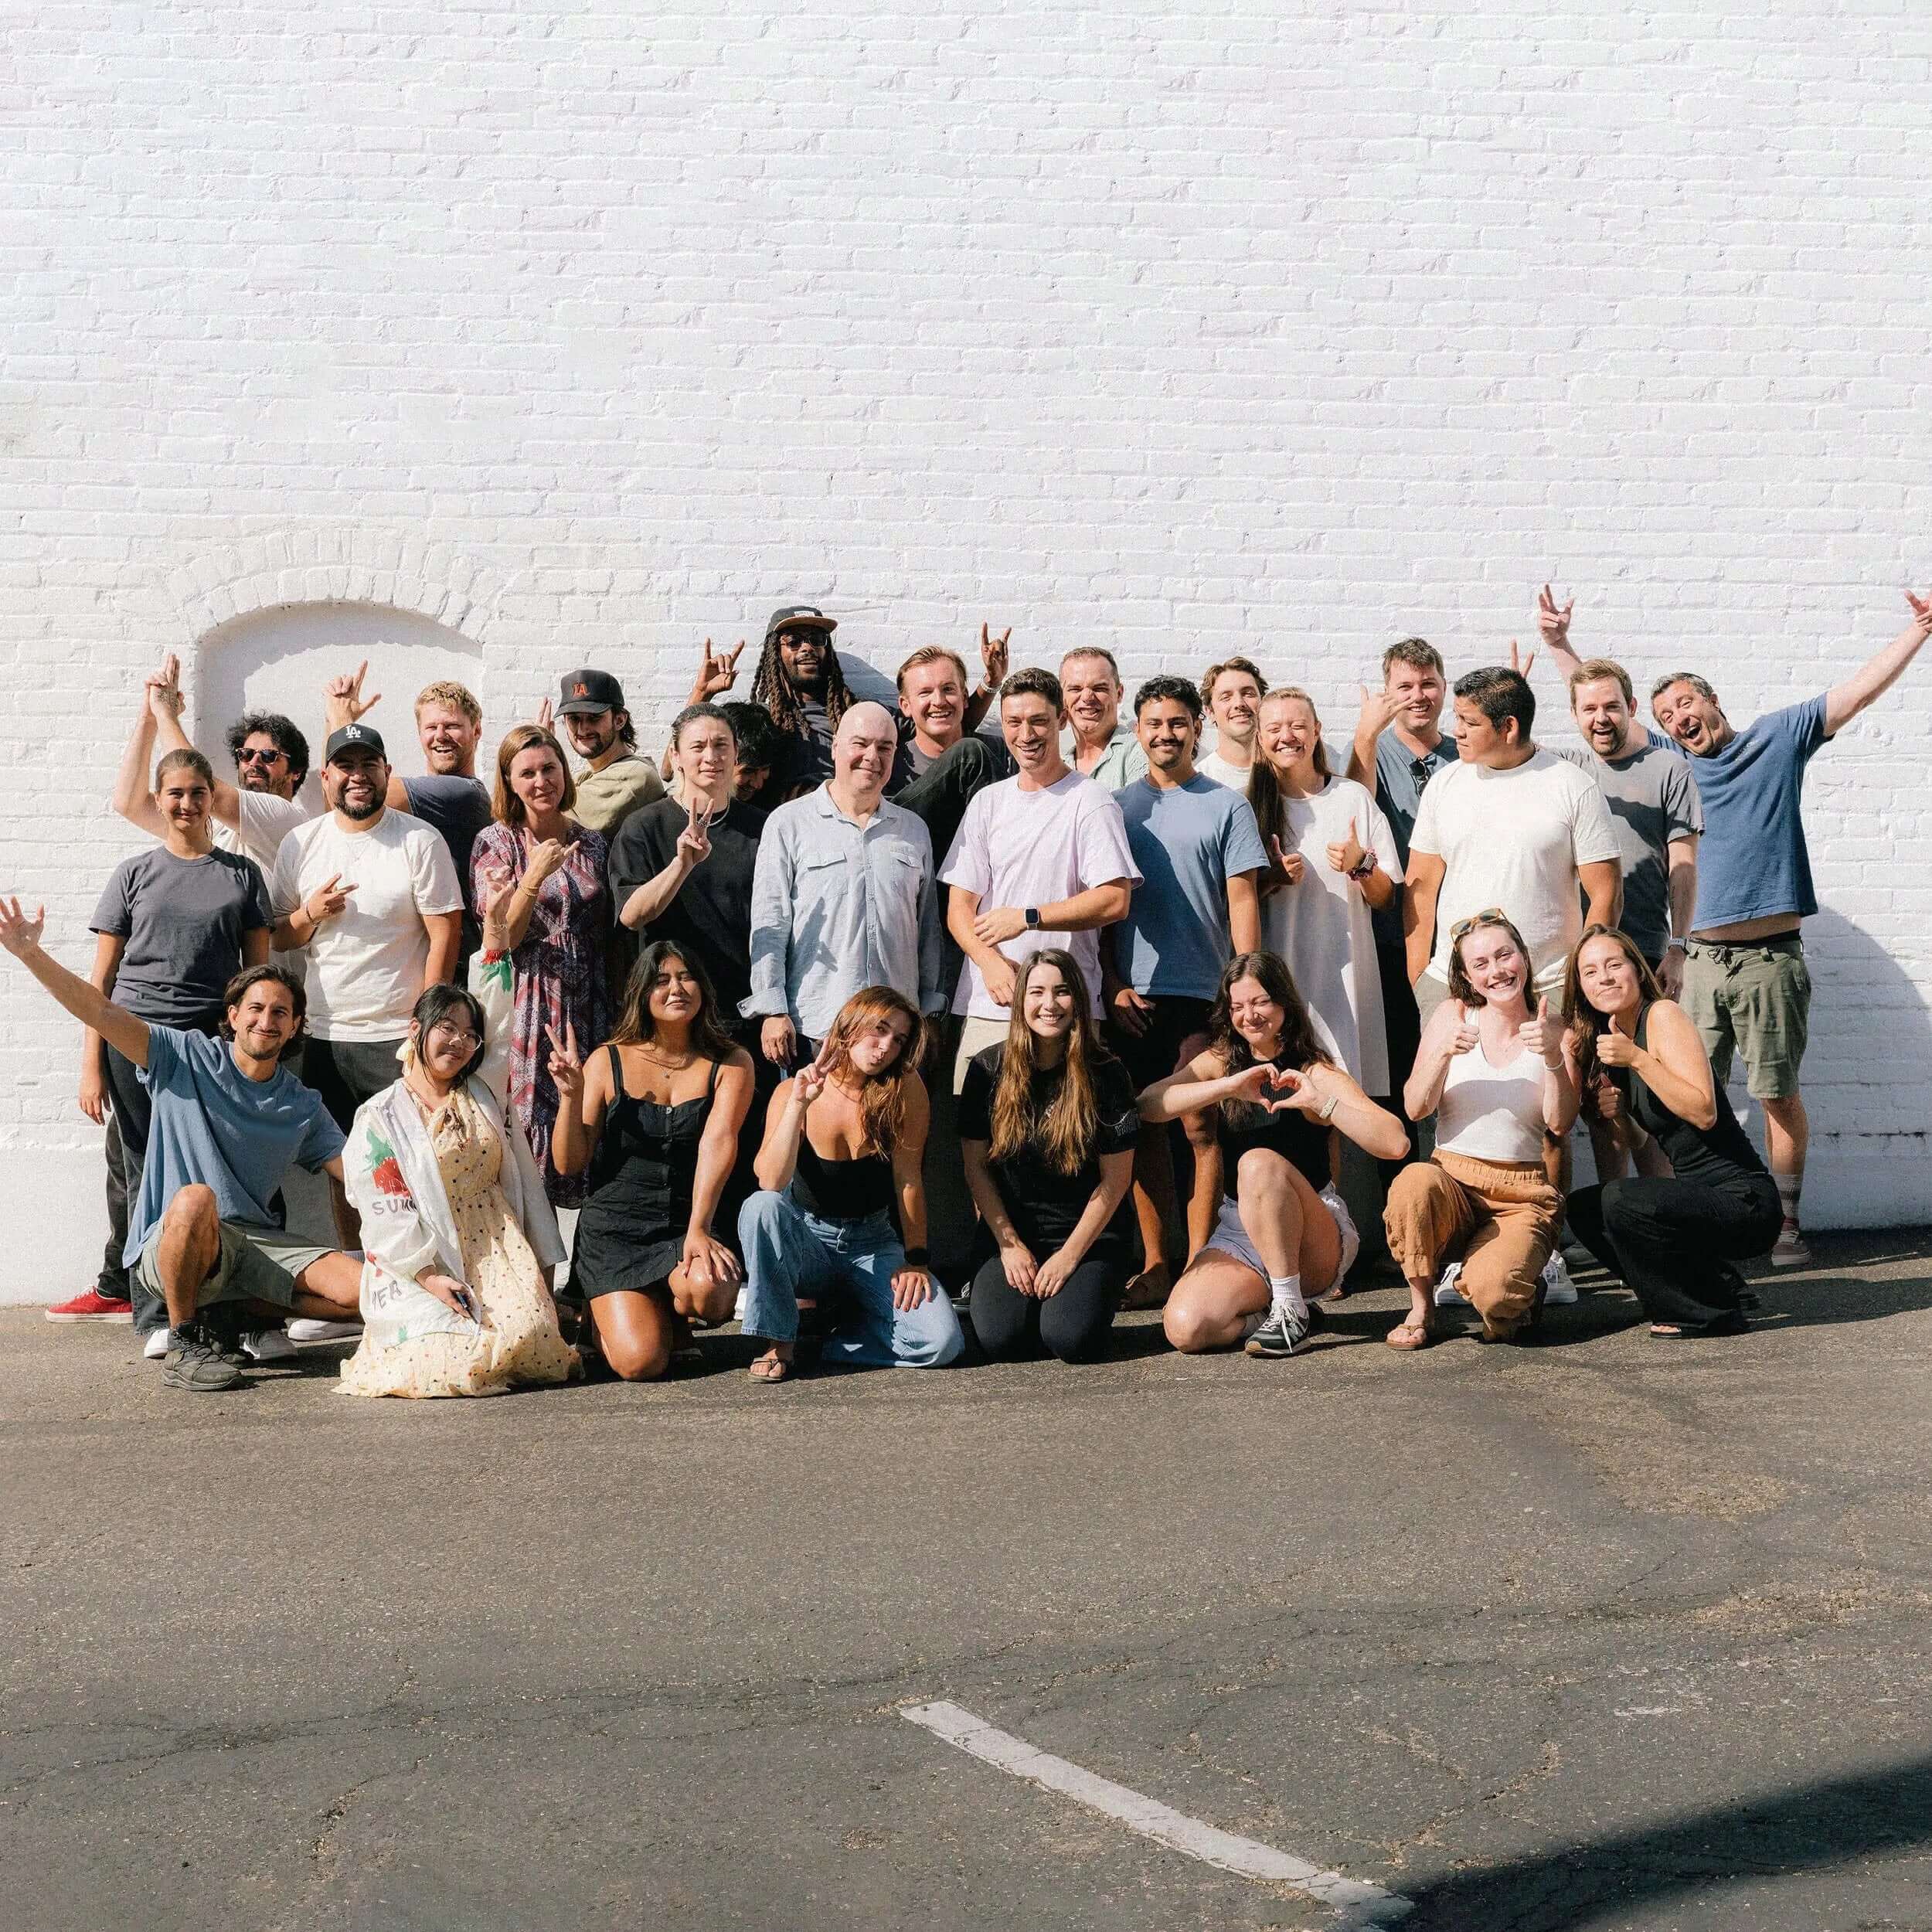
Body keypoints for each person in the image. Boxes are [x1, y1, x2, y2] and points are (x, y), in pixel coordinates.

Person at [1648, 590, 1932, 1266]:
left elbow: (1856, 695)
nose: (1679, 719)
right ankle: (1702, 1222)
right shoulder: (1670, 766)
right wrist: (1564, 648)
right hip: (1702, 962)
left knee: (1776, 1093)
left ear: (1712, 702)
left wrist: (1919, 631)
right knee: (1689, 1098)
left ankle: (1788, 1223)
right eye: (1666, 715)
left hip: (1772, 960)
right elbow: (1609, 721)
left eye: (1686, 703)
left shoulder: (1776, 739)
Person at [0, 903, 360, 1393]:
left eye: (281, 1012)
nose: (266, 1021)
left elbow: (359, 1173)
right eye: (255, 1009)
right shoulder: (181, 1057)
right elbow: (100, 1010)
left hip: (255, 1246)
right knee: (195, 1198)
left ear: (295, 1025)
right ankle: (185, 1339)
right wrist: (29, 953)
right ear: (232, 1017)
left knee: (368, 1293)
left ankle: (232, 1315)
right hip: (174, 1240)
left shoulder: (301, 1105)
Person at [79, 748, 275, 1351]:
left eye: (198, 792)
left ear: (211, 799)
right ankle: (157, 1316)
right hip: (133, 1040)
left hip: (209, 1045)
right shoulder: (133, 873)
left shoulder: (241, 876)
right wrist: (91, 1064)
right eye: (175, 793)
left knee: (219, 1170)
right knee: (144, 1171)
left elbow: (257, 977)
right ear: (159, 800)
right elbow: (101, 981)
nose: (187, 804)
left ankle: (231, 1312)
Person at [1142, 952, 1406, 1359]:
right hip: (1242, 1232)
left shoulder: (1312, 1068)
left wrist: (1322, 1104)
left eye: (1260, 1002)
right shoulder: (1221, 1063)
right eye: (1237, 1006)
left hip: (1313, 1235)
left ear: (1284, 1002)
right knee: (1186, 1329)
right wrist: (1226, 1088)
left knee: (1258, 1163)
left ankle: (1289, 1307)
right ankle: (1275, 1309)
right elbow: (1149, 1104)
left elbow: (1395, 1143)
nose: (1249, 1016)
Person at [338, 978, 580, 1398]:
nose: (460, 1042)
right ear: (416, 1030)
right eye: (447, 1028)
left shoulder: (484, 1093)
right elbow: (385, 1210)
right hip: (422, 1257)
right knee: (447, 1359)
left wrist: (496, 942)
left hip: (495, 1243)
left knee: (532, 1338)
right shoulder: (379, 1116)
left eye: (470, 1035)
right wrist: (429, 1277)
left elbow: (500, 1015)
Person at [269, 723, 464, 1236]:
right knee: (348, 1173)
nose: (358, 777)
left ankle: (423, 1287)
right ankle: (363, 1287)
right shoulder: (300, 843)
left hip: (399, 1037)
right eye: (347, 767)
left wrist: (425, 1027)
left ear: (386, 773)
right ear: (326, 776)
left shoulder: (419, 839)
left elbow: (445, 933)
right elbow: (279, 936)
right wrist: (310, 912)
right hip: (328, 1038)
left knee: (417, 1166)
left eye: (368, 766)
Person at [1106, 675, 1267, 1291]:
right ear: (1138, 730)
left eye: (1178, 723)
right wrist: (1113, 983)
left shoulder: (1227, 805)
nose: (1165, 734)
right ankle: (1155, 1262)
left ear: (1197, 727)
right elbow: (1104, 905)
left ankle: (1202, 1260)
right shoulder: (1117, 808)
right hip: (1135, 999)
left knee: (1201, 1126)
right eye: (1154, 723)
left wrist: (1247, 992)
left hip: (1206, 992)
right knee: (1142, 1125)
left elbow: (1243, 900)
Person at [1561, 926, 1781, 1338]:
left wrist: (1639, 1061)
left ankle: (1708, 1313)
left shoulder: (1662, 1016)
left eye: (1614, 964)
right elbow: (1646, 1141)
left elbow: (1704, 1112)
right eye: (1589, 972)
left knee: (1621, 1196)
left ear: (1638, 971)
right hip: (1696, 1204)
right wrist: (1620, 1115)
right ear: (1581, 988)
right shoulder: (1616, 1039)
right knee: (1585, 1210)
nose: (1604, 977)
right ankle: (1707, 1285)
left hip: (1744, 1202)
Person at [736, 988, 964, 1381]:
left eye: (899, 1040)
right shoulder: (793, 1089)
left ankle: (832, 1341)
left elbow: (908, 1178)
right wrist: (798, 1104)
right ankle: (779, 1342)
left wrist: (916, 1260)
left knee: (941, 1343)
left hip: (872, 1244)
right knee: (761, 1206)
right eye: (879, 1030)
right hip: (807, 1241)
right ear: (850, 1025)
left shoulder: (904, 1088)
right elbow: (770, 1181)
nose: (885, 1048)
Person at [551, 943, 756, 1379]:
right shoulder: (608, 1059)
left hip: (687, 1220)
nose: (676, 988)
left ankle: (673, 1317)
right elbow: (570, 1163)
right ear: (642, 993)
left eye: (686, 977)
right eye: (662, 980)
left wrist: (699, 1229)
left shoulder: (731, 1061)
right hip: (616, 1228)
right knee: (642, 1364)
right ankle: (595, 1315)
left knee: (712, 1295)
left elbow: (718, 1144)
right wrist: (570, 1097)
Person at [1384, 912, 1580, 1350]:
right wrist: (1441, 1056)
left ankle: (1513, 1286)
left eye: (1504, 955)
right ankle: (1422, 1308)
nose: (1496, 971)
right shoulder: (1452, 1016)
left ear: (1524, 958)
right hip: (1451, 1181)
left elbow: (1560, 1123)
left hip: (1521, 1194)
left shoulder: (1557, 1029)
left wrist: (1551, 1057)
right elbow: (1416, 1107)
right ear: (1469, 977)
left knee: (1498, 1306)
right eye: (1481, 964)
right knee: (1413, 1183)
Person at [942, 668, 1140, 1090]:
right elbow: (959, 908)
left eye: (1038, 721)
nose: (1026, 734)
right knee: (981, 1140)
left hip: (1068, 1005)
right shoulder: (988, 802)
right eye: (1014, 722)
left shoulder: (1090, 801)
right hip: (992, 1004)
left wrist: (1028, 918)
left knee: (1064, 1141)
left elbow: (1114, 899)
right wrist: (989, 962)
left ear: (1062, 721)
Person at [1404, 667, 1622, 1019]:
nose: (1456, 731)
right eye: (1457, 718)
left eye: (1469, 723)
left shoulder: (1572, 786)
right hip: (1454, 987)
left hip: (1547, 988)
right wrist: (1420, 978)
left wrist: (1577, 980)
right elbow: (1421, 887)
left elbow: (1606, 895)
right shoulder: (1445, 784)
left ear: (1508, 727)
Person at [959, 951, 1139, 1362]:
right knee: (1002, 1340)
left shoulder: (1106, 1072)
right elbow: (976, 1168)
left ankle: (1082, 1299)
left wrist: (1069, 1257)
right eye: (1037, 992)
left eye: (1061, 992)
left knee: (1070, 1340)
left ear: (1078, 999)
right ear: (1021, 1001)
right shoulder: (988, 1069)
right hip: (1014, 1234)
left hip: (1089, 1237)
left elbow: (1115, 1183)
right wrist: (1008, 1246)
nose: (1049, 1004)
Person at [743, 701, 945, 1069]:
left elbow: (927, 929)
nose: (872, 756)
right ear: (836, 747)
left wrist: (929, 1010)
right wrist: (772, 1009)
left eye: (885, 747)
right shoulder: (789, 824)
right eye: (860, 743)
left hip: (894, 1037)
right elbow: (769, 923)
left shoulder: (913, 831)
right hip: (817, 1030)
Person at [469, 723, 611, 1206]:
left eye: (549, 768)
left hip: (589, 997)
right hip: (527, 997)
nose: (540, 781)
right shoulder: (497, 843)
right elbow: (502, 935)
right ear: (509, 782)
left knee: (588, 1117)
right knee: (527, 1126)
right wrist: (533, 878)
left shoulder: (592, 843)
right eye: (526, 773)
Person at [1249, 687, 1401, 1094]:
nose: (1287, 737)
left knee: (1343, 1099)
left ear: (1316, 731)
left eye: (1298, 726)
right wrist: (1272, 879)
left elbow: (1387, 898)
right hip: (1277, 984)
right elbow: (1232, 900)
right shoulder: (1248, 808)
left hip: (1347, 982)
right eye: (1275, 728)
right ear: (1260, 738)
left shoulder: (1352, 797)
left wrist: (1361, 865)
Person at [1342, 637, 1459, 1151]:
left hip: (1460, 945)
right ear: (1387, 692)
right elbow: (1354, 810)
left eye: (1428, 683)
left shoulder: (1464, 751)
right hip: (1391, 942)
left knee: (1459, 1070)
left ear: (1444, 687)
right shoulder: (1371, 751)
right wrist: (1366, 738)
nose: (1418, 695)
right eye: (1405, 686)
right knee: (1401, 1072)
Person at [610, 703, 766, 1050]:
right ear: (676, 756)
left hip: (743, 1014)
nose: (711, 756)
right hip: (668, 1012)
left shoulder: (764, 829)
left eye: (721, 745)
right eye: (698, 747)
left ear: (735, 753)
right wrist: (682, 864)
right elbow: (631, 915)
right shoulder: (643, 827)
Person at [323, 665, 495, 961]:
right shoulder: (417, 799)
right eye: (431, 728)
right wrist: (340, 724)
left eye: (452, 726)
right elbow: (341, 808)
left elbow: (348, 798)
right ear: (419, 734)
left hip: (455, 966)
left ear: (476, 730)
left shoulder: (464, 794)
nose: (441, 736)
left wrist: (343, 724)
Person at [114, 653, 314, 877]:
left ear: (296, 772)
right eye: (246, 754)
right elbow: (130, 804)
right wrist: (149, 719)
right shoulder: (219, 824)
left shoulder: (288, 817)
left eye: (268, 756)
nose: (254, 763)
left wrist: (166, 715)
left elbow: (197, 781)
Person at [539, 668, 665, 839]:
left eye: (594, 717)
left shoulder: (633, 776)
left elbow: (546, 818)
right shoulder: (590, 775)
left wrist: (540, 756)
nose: (583, 729)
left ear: (619, 720)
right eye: (574, 719)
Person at [1061, 648, 1149, 788]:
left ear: (1119, 693)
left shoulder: (1140, 752)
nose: (1087, 697)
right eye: (1075, 689)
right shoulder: (1060, 765)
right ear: (1062, 698)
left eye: (1099, 688)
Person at [1196, 655, 1267, 791]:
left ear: (1263, 702)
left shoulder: (1286, 770)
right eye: (1226, 697)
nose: (1239, 703)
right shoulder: (1201, 783)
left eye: (1248, 693)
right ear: (1210, 712)